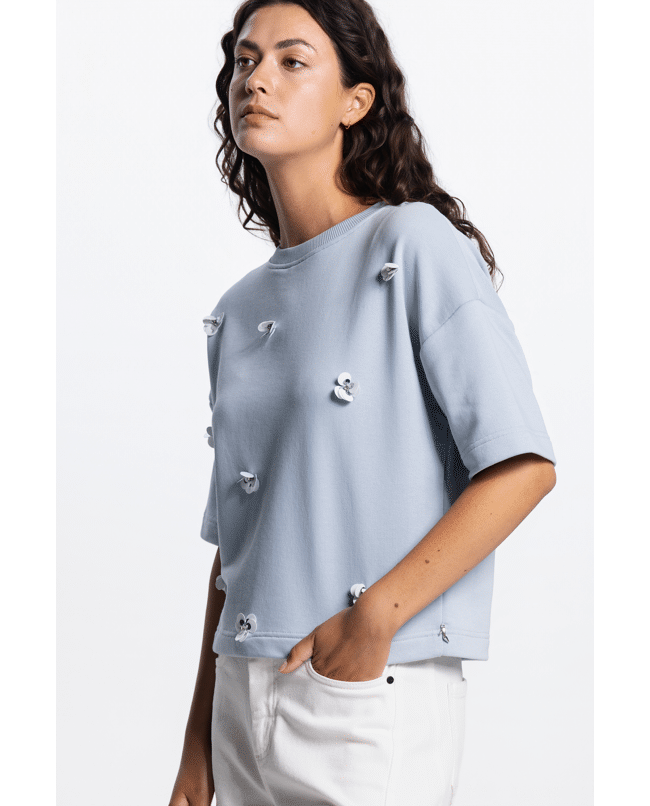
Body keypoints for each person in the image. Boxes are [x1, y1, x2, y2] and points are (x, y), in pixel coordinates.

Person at [168, 1, 557, 804]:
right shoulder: (237, 309)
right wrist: (197, 747)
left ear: (356, 100)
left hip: (365, 689)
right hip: (240, 693)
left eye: (291, 60)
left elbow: (523, 466)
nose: (257, 80)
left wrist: (375, 616)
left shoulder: (413, 244)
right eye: (245, 60)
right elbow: (236, 548)